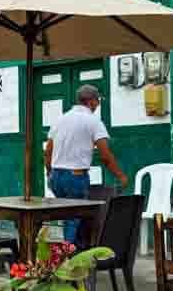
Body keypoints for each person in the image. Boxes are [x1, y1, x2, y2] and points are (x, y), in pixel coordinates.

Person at [44, 85, 129, 245]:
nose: (97, 105)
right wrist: (121, 177)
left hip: (56, 177)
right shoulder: (93, 121)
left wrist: (50, 173)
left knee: (69, 217)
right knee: (74, 218)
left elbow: (48, 150)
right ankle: (67, 259)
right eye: (97, 101)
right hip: (75, 177)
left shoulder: (61, 119)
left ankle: (77, 253)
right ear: (91, 102)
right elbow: (105, 156)